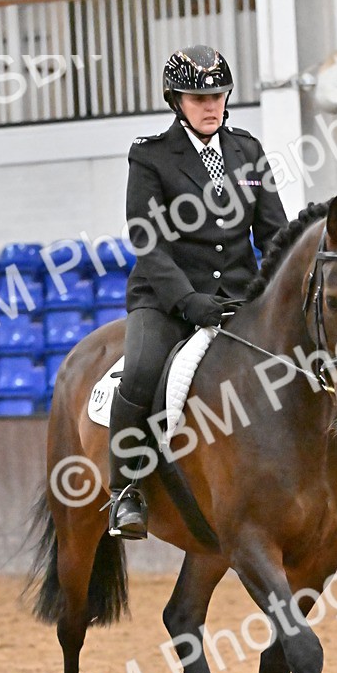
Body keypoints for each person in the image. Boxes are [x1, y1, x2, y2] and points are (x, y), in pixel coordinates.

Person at [107, 44, 288, 539]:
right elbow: (147, 240)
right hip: (165, 298)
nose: (211, 105)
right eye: (198, 97)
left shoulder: (248, 151)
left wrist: (270, 291)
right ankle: (126, 491)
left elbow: (273, 232)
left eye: (219, 95)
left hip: (238, 296)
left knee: (310, 346)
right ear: (175, 100)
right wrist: (188, 302)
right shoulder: (149, 155)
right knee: (142, 371)